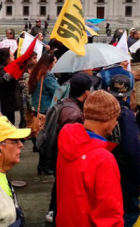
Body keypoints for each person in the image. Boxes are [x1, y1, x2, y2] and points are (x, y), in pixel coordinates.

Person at [55, 90, 123, 227]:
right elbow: (109, 214)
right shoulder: (103, 159)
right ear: (108, 119)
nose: (116, 124)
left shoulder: (67, 142)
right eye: (116, 118)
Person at [44, 72, 92, 223]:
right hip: (63, 158)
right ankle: (57, 213)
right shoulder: (75, 114)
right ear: (86, 92)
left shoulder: (63, 103)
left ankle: (53, 211)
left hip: (54, 154)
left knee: (59, 186)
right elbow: (71, 144)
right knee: (65, 189)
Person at [108, 75, 140, 226]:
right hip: (124, 170)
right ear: (129, 92)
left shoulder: (102, 109)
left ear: (109, 89)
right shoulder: (126, 114)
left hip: (105, 165)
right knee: (129, 211)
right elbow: (133, 149)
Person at [0, 47, 21, 125]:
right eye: (11, 56)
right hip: (7, 103)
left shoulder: (2, 68)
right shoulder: (1, 69)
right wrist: (10, 73)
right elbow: (1, 81)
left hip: (8, 103)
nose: (13, 57)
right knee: (9, 123)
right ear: (6, 59)